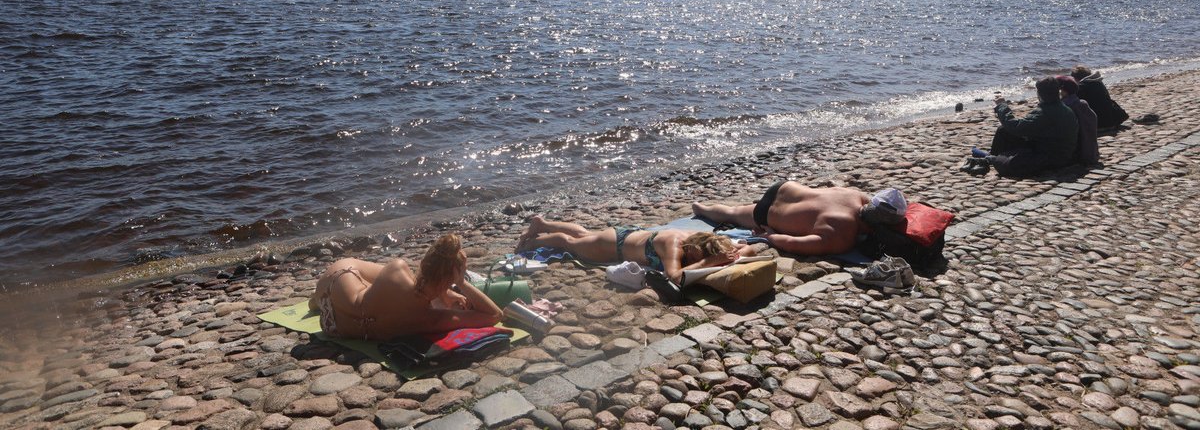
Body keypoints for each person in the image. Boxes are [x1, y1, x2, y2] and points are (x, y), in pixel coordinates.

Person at [308, 233, 502, 341]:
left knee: (381, 281)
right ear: (450, 279)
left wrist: (445, 290)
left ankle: (317, 299)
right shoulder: (432, 320)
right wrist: (461, 284)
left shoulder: (398, 270)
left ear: (424, 264)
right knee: (378, 293)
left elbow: (416, 286)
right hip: (335, 326)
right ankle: (319, 301)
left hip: (335, 281)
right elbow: (494, 315)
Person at [515, 217, 747, 285]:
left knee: (585, 234)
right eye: (699, 257)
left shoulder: (708, 239)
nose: (695, 261)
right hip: (613, 247)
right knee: (570, 244)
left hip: (626, 235)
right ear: (696, 249)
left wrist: (728, 255)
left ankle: (542, 224)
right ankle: (534, 242)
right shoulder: (674, 246)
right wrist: (709, 263)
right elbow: (674, 277)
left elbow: (747, 248)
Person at [691, 184, 906, 256]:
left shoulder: (854, 194)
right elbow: (794, 244)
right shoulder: (842, 235)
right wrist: (770, 236)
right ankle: (702, 210)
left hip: (786, 188)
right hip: (769, 213)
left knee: (735, 210)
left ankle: (702, 207)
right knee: (732, 213)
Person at [963, 77, 1078, 176]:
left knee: (1010, 164)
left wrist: (1002, 106)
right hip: (1046, 146)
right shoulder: (1065, 109)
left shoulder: (1044, 112)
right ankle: (989, 158)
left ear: (1039, 94)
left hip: (1051, 157)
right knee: (1003, 131)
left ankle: (991, 159)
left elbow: (1015, 126)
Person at [1057, 74, 1099, 167]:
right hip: (1090, 152)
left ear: (1063, 91)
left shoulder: (1065, 107)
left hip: (1077, 153)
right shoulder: (1082, 104)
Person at [1071, 65, 1129, 130]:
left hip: (1097, 124)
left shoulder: (1081, 87)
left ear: (1075, 78)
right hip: (1111, 121)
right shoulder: (1099, 83)